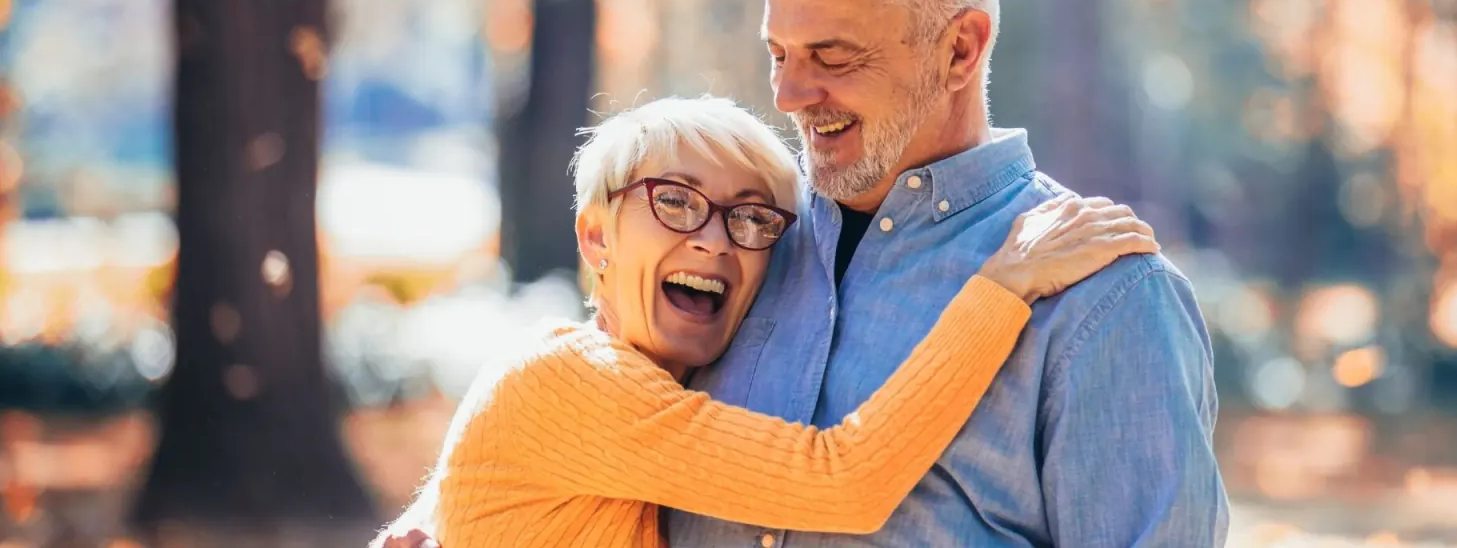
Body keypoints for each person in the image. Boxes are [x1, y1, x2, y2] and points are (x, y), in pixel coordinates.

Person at [389, 0, 1228, 547]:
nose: (791, 93)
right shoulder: (744, 250)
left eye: (833, 53)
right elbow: (584, 417)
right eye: (779, 52)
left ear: (961, 47)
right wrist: (446, 516)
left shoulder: (1102, 295)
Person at [375, 95, 1159, 547]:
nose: (714, 239)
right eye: (674, 201)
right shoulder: (565, 379)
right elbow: (843, 480)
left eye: (753, 219)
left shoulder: (657, 390)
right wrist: (1004, 285)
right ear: (595, 236)